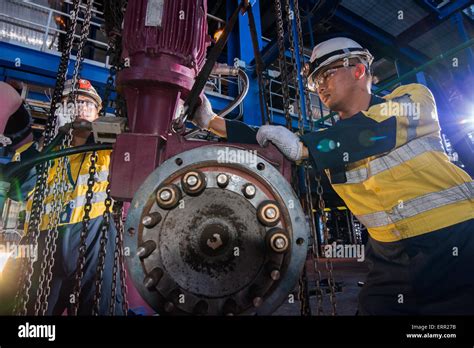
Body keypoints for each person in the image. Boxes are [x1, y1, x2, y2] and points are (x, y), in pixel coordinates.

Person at [192, 37, 474, 315]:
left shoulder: (412, 98)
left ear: (359, 70)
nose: (320, 86)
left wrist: (303, 147)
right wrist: (211, 121)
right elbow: (270, 141)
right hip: (389, 255)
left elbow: (374, 132)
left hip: (455, 239)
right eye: (315, 82)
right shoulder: (325, 145)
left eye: (327, 73)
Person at [1, 79, 124, 315]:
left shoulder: (110, 150)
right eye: (73, 102)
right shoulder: (41, 154)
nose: (80, 107)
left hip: (96, 239)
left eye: (88, 103)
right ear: (59, 111)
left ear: (98, 113)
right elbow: (19, 185)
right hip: (42, 242)